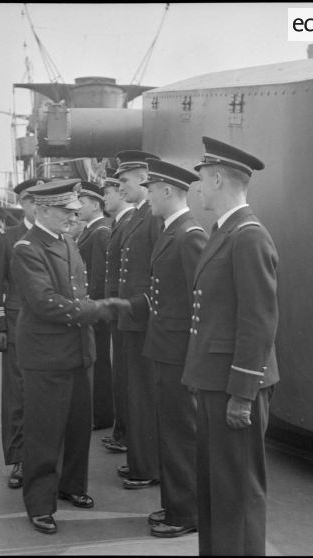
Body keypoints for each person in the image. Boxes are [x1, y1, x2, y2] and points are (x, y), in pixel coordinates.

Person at [182, 136, 279, 556]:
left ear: (218, 179)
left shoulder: (248, 236)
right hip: (213, 382)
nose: (197, 189)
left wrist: (242, 395)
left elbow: (258, 323)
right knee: (216, 488)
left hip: (234, 387)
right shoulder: (225, 232)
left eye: (201, 180)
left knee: (236, 490)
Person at [11, 179, 115, 535]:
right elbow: (44, 302)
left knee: (77, 425)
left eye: (74, 211)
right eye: (65, 211)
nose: (73, 217)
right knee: (44, 432)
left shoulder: (66, 240)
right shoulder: (27, 248)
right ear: (42, 210)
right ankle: (40, 503)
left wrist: (88, 311)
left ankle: (72, 485)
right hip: (47, 354)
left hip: (78, 351)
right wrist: (96, 310)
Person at [119, 159, 208, 537]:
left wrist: (193, 362)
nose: (148, 195)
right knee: (169, 432)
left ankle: (187, 513)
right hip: (165, 350)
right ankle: (175, 505)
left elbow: (201, 306)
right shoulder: (172, 231)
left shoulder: (188, 235)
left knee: (181, 434)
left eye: (152, 189)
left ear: (168, 191)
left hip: (179, 356)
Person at [0, 177, 50, 490]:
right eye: (30, 199)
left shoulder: (56, 234)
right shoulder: (7, 237)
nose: (37, 205)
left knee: (46, 392)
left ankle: (47, 458)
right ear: (23, 204)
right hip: (15, 323)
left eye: (42, 199)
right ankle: (20, 459)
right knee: (17, 394)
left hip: (50, 327)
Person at [114, 150, 163, 489]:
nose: (121, 187)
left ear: (144, 178)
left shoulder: (154, 218)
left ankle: (147, 467)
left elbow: (159, 273)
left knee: (145, 396)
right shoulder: (135, 217)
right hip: (132, 319)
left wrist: (140, 306)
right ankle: (139, 459)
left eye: (125, 180)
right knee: (135, 394)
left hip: (144, 320)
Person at [100, 167, 134, 453]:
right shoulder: (118, 225)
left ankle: (126, 432)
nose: (105, 198)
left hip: (126, 311)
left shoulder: (128, 224)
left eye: (108, 191)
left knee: (126, 375)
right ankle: (122, 430)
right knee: (120, 374)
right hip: (117, 311)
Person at [76, 181, 114, 430]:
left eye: (81, 202)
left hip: (96, 309)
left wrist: (94, 308)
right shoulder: (90, 230)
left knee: (99, 362)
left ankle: (101, 416)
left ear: (95, 204)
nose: (76, 207)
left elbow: (99, 276)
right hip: (92, 308)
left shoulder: (100, 231)